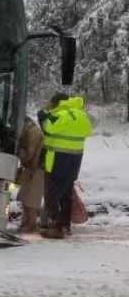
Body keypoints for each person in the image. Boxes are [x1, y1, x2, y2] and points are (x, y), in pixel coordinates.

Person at [38, 92, 93, 239]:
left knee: (51, 193)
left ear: (56, 103)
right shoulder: (82, 115)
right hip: (75, 160)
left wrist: (42, 114)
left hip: (56, 159)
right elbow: (88, 131)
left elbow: (47, 128)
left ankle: (54, 226)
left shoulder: (60, 115)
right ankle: (65, 225)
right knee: (66, 193)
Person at [16, 115, 44, 232]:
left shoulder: (33, 132)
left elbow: (29, 154)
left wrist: (18, 153)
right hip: (31, 168)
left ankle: (31, 225)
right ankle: (25, 223)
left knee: (31, 199)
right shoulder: (30, 130)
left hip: (38, 168)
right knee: (24, 196)